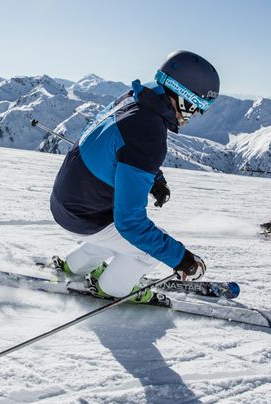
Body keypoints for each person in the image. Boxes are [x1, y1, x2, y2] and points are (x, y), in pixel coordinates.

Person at [48, 50, 218, 303]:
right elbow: (131, 223)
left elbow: (122, 147)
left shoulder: (135, 99)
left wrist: (155, 178)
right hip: (86, 213)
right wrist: (181, 259)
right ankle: (112, 289)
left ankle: (74, 266)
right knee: (145, 250)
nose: (193, 117)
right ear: (183, 98)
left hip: (67, 202)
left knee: (111, 235)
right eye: (196, 108)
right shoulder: (148, 133)